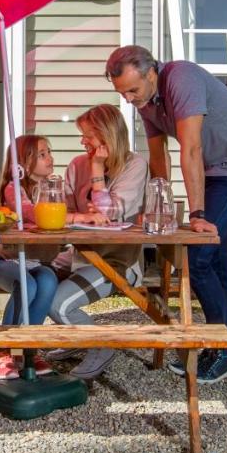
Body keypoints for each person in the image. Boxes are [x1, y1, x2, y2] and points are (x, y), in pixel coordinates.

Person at [105, 45, 227, 384]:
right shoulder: (147, 101)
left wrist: (197, 214)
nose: (129, 99)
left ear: (151, 73)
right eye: (122, 93)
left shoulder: (182, 79)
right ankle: (225, 345)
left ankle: (226, 348)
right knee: (215, 258)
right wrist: (158, 206)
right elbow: (158, 156)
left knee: (199, 255)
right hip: (209, 168)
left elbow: (191, 148)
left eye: (132, 90)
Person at [45, 103, 149, 380]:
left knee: (57, 304)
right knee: (33, 281)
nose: (83, 142)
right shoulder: (76, 164)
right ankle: (70, 339)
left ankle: (101, 346)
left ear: (107, 135)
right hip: (78, 254)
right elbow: (62, 212)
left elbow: (108, 213)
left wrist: (96, 169)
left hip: (117, 261)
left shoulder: (134, 165)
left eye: (88, 136)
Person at [0, 134, 63, 380]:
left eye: (49, 152)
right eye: (42, 154)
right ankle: (5, 349)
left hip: (38, 263)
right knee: (27, 284)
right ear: (22, 163)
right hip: (8, 262)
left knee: (48, 280)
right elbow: (33, 213)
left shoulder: (52, 187)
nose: (49, 158)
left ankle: (28, 348)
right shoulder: (14, 189)